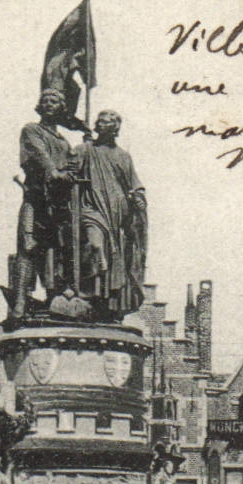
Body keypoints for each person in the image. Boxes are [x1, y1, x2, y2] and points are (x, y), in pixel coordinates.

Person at [13, 88, 83, 315]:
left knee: (56, 251)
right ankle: (20, 303)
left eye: (56, 101)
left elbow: (72, 164)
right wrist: (54, 172)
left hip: (58, 203)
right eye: (46, 100)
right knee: (28, 246)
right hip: (36, 198)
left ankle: (54, 299)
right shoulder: (31, 130)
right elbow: (39, 154)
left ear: (62, 108)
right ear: (40, 106)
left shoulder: (63, 142)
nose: (50, 104)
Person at [73, 109, 148, 319]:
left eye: (108, 122)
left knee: (116, 258)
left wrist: (139, 197)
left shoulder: (124, 156)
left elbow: (135, 184)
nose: (103, 125)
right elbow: (69, 174)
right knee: (95, 245)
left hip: (117, 217)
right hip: (92, 209)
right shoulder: (84, 150)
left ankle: (105, 303)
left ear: (115, 128)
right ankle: (87, 295)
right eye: (100, 121)